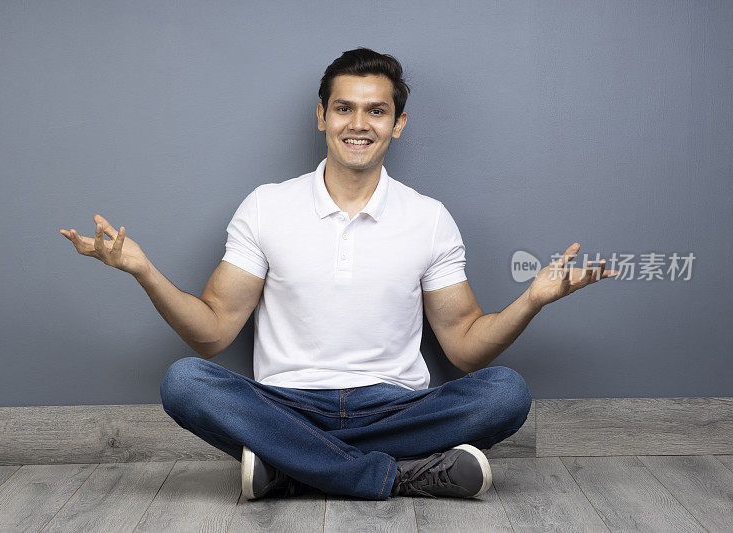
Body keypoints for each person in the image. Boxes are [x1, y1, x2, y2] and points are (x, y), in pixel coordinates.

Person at [59, 47, 619, 501]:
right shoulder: (266, 207)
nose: (359, 124)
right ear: (322, 116)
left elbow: (466, 350)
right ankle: (394, 475)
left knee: (506, 393)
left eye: (376, 111)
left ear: (398, 125)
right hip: (285, 404)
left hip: (395, 405)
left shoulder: (428, 218)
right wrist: (142, 270)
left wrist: (531, 301)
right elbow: (211, 333)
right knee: (184, 381)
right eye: (345, 108)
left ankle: (293, 467)